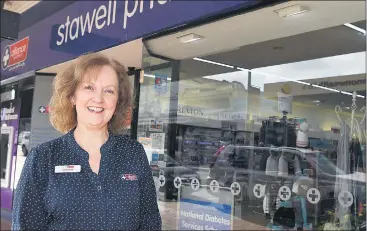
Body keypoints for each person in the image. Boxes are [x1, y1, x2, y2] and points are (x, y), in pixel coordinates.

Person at [12, 53, 162, 230]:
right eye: (89, 87)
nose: (98, 99)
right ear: (72, 96)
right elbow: (25, 225)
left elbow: (150, 222)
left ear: (117, 103)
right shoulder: (43, 158)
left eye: (109, 90)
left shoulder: (133, 153)